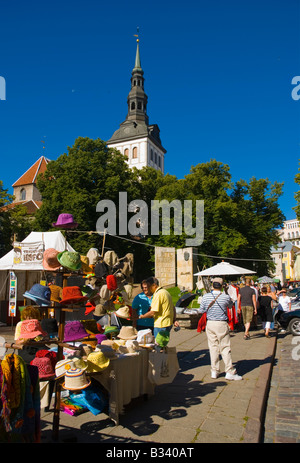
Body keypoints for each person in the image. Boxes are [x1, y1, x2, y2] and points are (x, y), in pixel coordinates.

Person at [199, 277, 242, 381]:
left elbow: (201, 310)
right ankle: (229, 371)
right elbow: (231, 306)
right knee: (225, 347)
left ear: (212, 285)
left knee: (213, 347)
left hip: (210, 323)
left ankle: (214, 371)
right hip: (221, 323)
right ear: (222, 285)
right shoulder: (225, 297)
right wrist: (226, 293)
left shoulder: (206, 297)